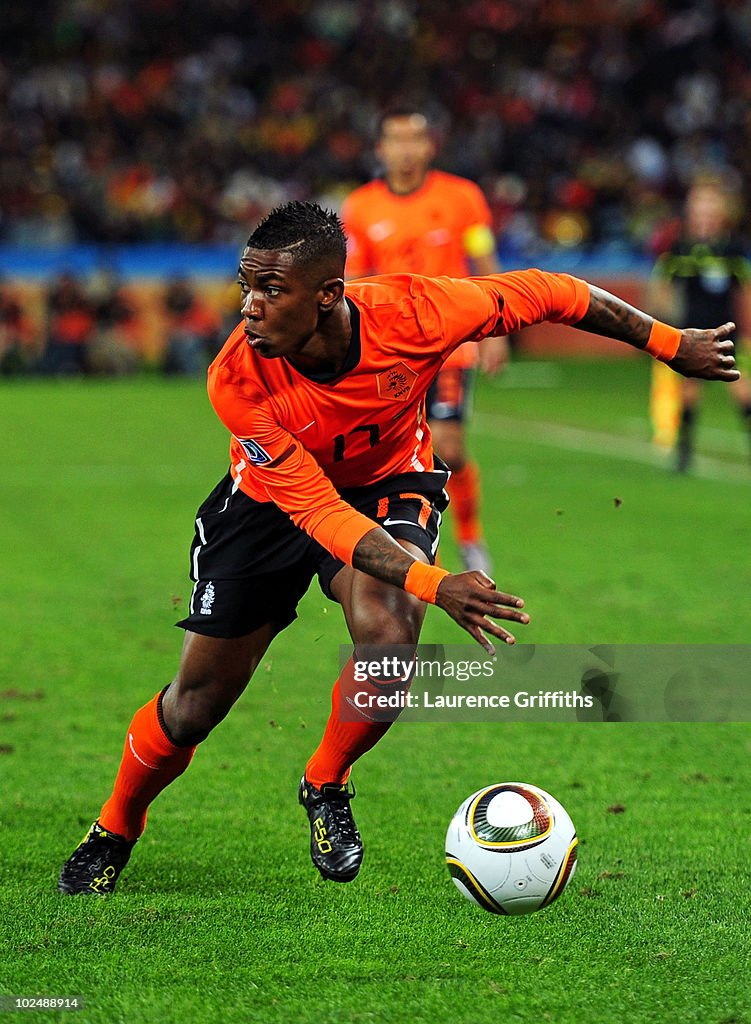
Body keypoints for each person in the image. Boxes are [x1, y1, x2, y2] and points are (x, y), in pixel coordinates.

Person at [58, 201, 738, 896]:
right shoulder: (236, 377)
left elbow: (552, 292)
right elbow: (317, 511)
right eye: (245, 286)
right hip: (270, 505)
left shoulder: (415, 314)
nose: (249, 308)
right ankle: (116, 825)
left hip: (387, 483)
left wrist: (667, 343)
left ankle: (324, 781)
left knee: (387, 643)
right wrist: (434, 582)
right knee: (196, 704)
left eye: (270, 290)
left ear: (327, 297)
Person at [341, 108, 508, 575]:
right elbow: (355, 279)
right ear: (381, 149)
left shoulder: (463, 198)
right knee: (382, 449)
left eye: (415, 138)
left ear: (430, 146)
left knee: (449, 450)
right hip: (391, 349)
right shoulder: (360, 207)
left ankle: (471, 539)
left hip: (452, 343)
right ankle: (383, 538)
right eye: (396, 139)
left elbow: (484, 259)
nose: (406, 148)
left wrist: (497, 328)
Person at [651, 178, 751, 471]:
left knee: (742, 389)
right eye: (699, 205)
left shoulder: (731, 250)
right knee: (689, 391)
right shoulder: (681, 248)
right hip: (692, 331)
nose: (704, 212)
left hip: (729, 332)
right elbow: (663, 284)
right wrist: (664, 321)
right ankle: (684, 452)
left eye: (710, 206)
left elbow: (743, 290)